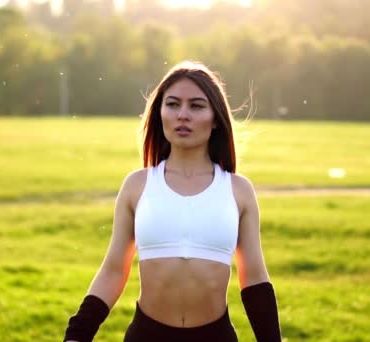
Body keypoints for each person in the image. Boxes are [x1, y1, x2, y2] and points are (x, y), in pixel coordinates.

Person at [63, 61, 282, 342]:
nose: (182, 115)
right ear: (160, 113)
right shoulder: (137, 186)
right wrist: (77, 334)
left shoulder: (238, 191)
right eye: (173, 104)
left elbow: (253, 278)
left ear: (215, 118)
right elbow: (114, 270)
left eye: (196, 106)